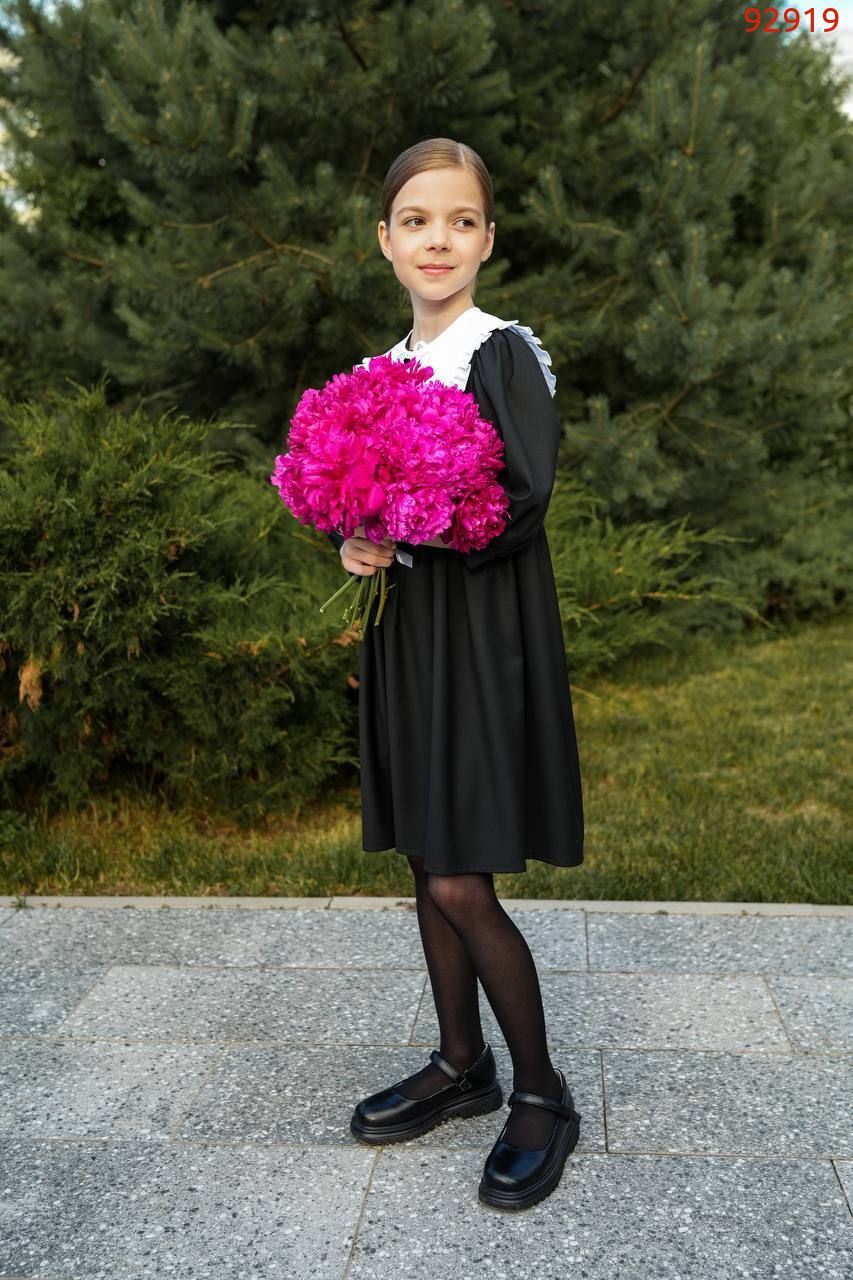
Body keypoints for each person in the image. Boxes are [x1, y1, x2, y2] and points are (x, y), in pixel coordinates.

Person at [327, 138, 584, 1212]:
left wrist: (417, 519)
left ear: (486, 240)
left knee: (458, 876)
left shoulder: (500, 352)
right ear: (385, 242)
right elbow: (350, 488)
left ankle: (542, 1092)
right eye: (417, 220)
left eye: (461, 221)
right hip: (409, 634)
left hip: (480, 635)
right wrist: (354, 534)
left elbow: (523, 496)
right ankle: (459, 1061)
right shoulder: (381, 370)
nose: (439, 239)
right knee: (426, 854)